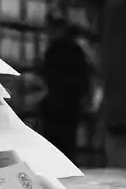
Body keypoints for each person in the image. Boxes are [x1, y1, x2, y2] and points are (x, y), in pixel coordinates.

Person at [36, 16, 96, 160]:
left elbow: (46, 74)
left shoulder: (53, 50)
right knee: (68, 141)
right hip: (71, 103)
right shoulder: (77, 50)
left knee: (52, 141)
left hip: (54, 103)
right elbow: (85, 75)